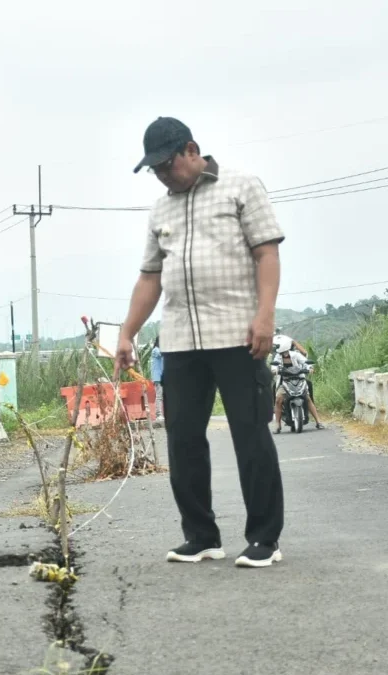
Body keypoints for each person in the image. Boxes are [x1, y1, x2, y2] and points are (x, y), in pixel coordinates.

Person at [114, 116, 285, 569]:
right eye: (154, 170)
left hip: (238, 334)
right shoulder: (160, 210)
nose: (162, 175)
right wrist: (127, 332)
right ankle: (201, 536)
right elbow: (150, 277)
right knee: (183, 438)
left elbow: (267, 252)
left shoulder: (241, 187)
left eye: (167, 164)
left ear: (191, 150)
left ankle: (264, 538)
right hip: (180, 342)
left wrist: (264, 315)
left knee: (250, 434)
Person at [272, 345, 324, 432]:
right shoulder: (277, 357)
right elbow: (274, 367)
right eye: (282, 352)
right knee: (278, 399)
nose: (284, 354)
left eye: (286, 351)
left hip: (299, 379)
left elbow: (305, 362)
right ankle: (277, 424)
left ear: (288, 349)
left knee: (307, 398)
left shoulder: (295, 355)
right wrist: (274, 370)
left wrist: (310, 368)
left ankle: (318, 422)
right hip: (285, 381)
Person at [150, 337, 164, 420]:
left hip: (162, 377)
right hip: (157, 377)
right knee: (159, 396)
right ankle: (158, 414)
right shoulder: (155, 350)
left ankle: (161, 413)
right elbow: (162, 354)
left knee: (162, 396)